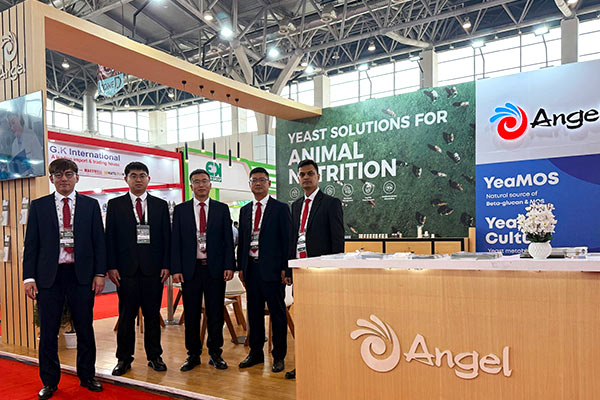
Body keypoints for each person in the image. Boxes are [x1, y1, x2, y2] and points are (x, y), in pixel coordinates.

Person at [23, 159, 106, 400]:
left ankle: (87, 376)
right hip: (50, 277)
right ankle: (49, 381)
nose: (64, 179)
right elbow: (31, 244)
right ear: (51, 179)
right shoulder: (39, 206)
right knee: (48, 332)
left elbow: (99, 242)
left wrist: (99, 273)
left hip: (81, 276)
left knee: (85, 328)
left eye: (68, 174)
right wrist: (29, 277)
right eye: (58, 175)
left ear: (77, 177)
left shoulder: (91, 205)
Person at [105, 162, 171, 376]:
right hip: (126, 272)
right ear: (126, 179)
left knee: (152, 315)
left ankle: (155, 356)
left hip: (154, 271)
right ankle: (123, 359)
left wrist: (167, 265)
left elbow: (166, 238)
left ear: (148, 179)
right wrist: (111, 266)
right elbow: (110, 238)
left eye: (142, 175)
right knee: (126, 317)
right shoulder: (115, 205)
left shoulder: (160, 205)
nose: (138, 179)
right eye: (133, 175)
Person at [285, 159, 345, 380]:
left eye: (310, 173)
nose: (306, 177)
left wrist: (335, 269)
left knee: (325, 320)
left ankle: (328, 363)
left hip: (323, 273)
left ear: (318, 176)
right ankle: (304, 363)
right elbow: (293, 239)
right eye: (302, 174)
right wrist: (289, 270)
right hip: (301, 273)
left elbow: (337, 240)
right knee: (303, 322)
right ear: (298, 179)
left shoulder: (331, 203)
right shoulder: (295, 206)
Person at [171, 169, 235, 371]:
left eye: (204, 181)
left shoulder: (221, 209)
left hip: (215, 269)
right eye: (196, 181)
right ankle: (193, 354)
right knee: (191, 314)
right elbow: (176, 242)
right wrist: (176, 269)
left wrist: (229, 265)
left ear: (210, 184)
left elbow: (228, 240)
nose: (201, 185)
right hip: (190, 270)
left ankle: (216, 353)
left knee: (215, 313)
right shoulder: (181, 210)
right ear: (191, 186)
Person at [237, 167, 292, 373]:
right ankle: (255, 353)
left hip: (273, 271)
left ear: (269, 183)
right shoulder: (245, 210)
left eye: (262, 180)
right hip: (251, 269)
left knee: (277, 314)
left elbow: (287, 240)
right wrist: (241, 267)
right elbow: (243, 241)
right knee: (254, 313)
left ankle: (279, 356)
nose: (258, 183)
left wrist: (286, 268)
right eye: (254, 180)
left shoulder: (280, 208)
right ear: (249, 185)